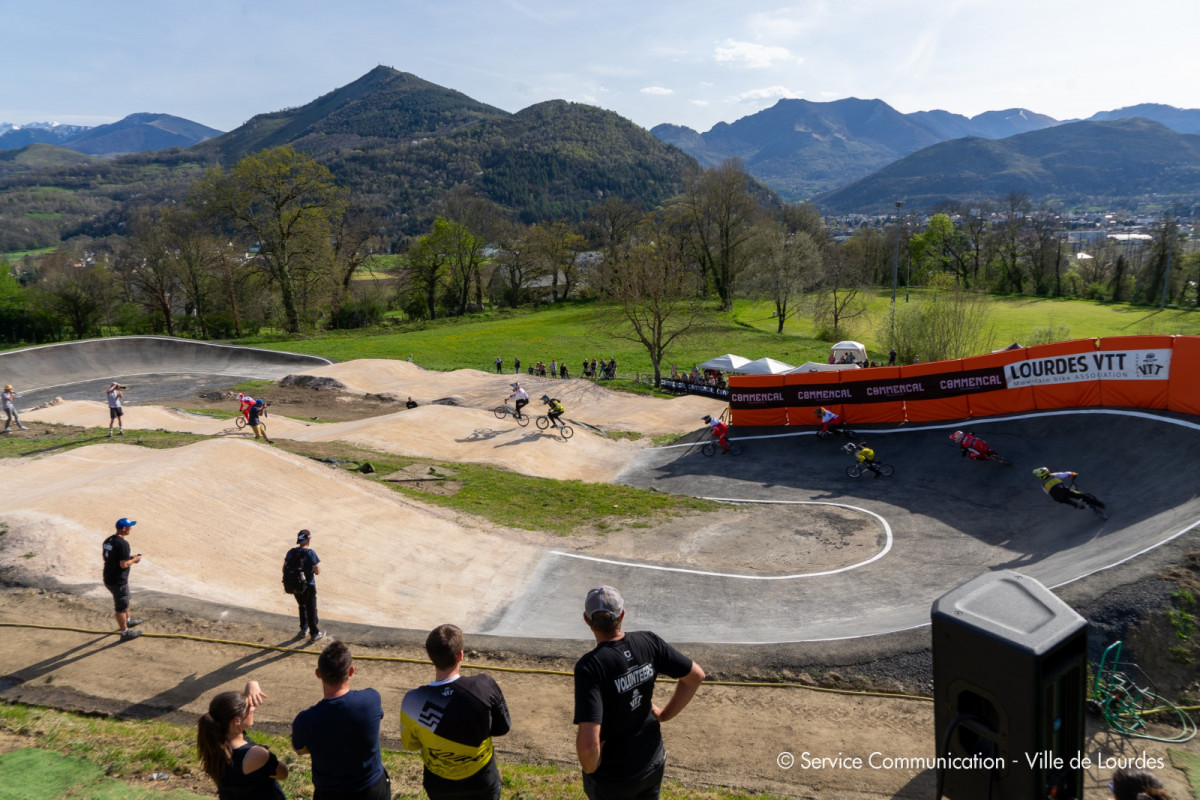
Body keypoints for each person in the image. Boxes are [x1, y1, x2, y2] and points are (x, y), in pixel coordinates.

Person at [573, 586, 704, 800]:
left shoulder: (590, 667)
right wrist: (664, 715)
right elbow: (695, 676)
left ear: (587, 620)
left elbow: (589, 748)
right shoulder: (649, 641)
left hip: (614, 778)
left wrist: (590, 767)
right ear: (622, 615)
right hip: (652, 760)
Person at [401, 624, 512, 800]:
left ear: (431, 657)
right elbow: (503, 727)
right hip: (481, 779)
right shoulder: (485, 685)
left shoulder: (413, 700)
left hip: (440, 784)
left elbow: (410, 745)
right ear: (460, 655)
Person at [292, 641, 389, 800]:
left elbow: (299, 749)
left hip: (330, 794)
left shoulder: (305, 720)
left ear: (318, 673)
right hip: (372, 790)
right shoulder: (371, 699)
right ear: (351, 671)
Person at [197, 680, 288, 800]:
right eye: (249, 708)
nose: (253, 709)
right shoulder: (256, 754)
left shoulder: (215, 743)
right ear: (236, 721)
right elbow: (283, 774)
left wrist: (251, 684)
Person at [102, 518, 143, 641]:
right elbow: (123, 565)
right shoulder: (123, 544)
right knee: (120, 607)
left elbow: (107, 558)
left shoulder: (108, 540)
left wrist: (127, 557)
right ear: (124, 529)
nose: (131, 528)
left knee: (126, 599)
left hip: (109, 577)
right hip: (118, 581)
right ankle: (125, 633)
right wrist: (135, 560)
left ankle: (128, 621)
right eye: (130, 526)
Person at [287, 530, 323, 641]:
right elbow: (317, 571)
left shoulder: (291, 552)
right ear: (308, 539)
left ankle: (304, 629)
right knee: (311, 608)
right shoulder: (310, 553)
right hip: (309, 586)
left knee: (302, 606)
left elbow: (284, 568)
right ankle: (315, 633)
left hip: (295, 585)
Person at [1033, 467, 1106, 512]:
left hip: (1058, 498)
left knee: (1065, 500)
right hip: (1064, 490)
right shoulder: (1053, 475)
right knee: (1083, 495)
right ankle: (1100, 505)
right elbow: (1065, 474)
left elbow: (1049, 494)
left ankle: (1075, 505)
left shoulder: (1043, 485)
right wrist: (1073, 474)